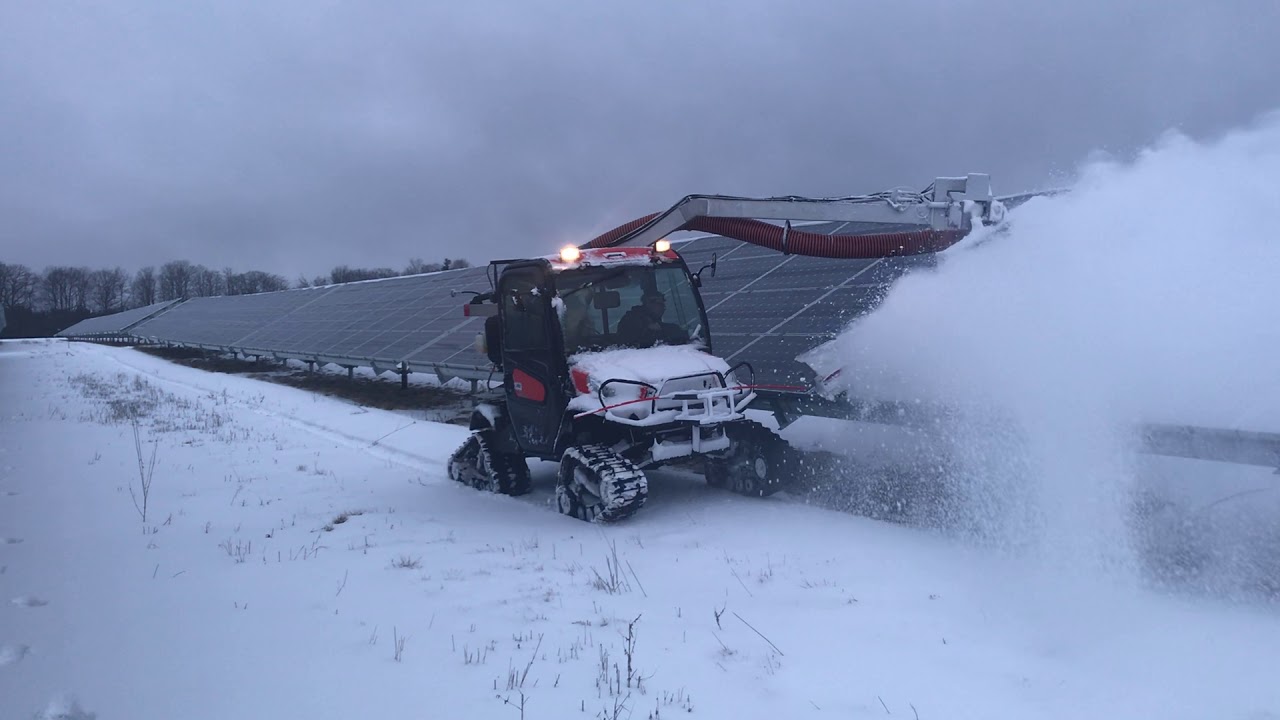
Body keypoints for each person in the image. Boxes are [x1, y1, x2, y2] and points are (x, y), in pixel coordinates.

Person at [616, 290, 688, 348]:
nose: (663, 308)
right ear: (648, 303)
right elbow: (627, 344)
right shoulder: (630, 321)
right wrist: (647, 328)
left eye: (663, 304)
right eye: (660, 304)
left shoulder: (657, 321)